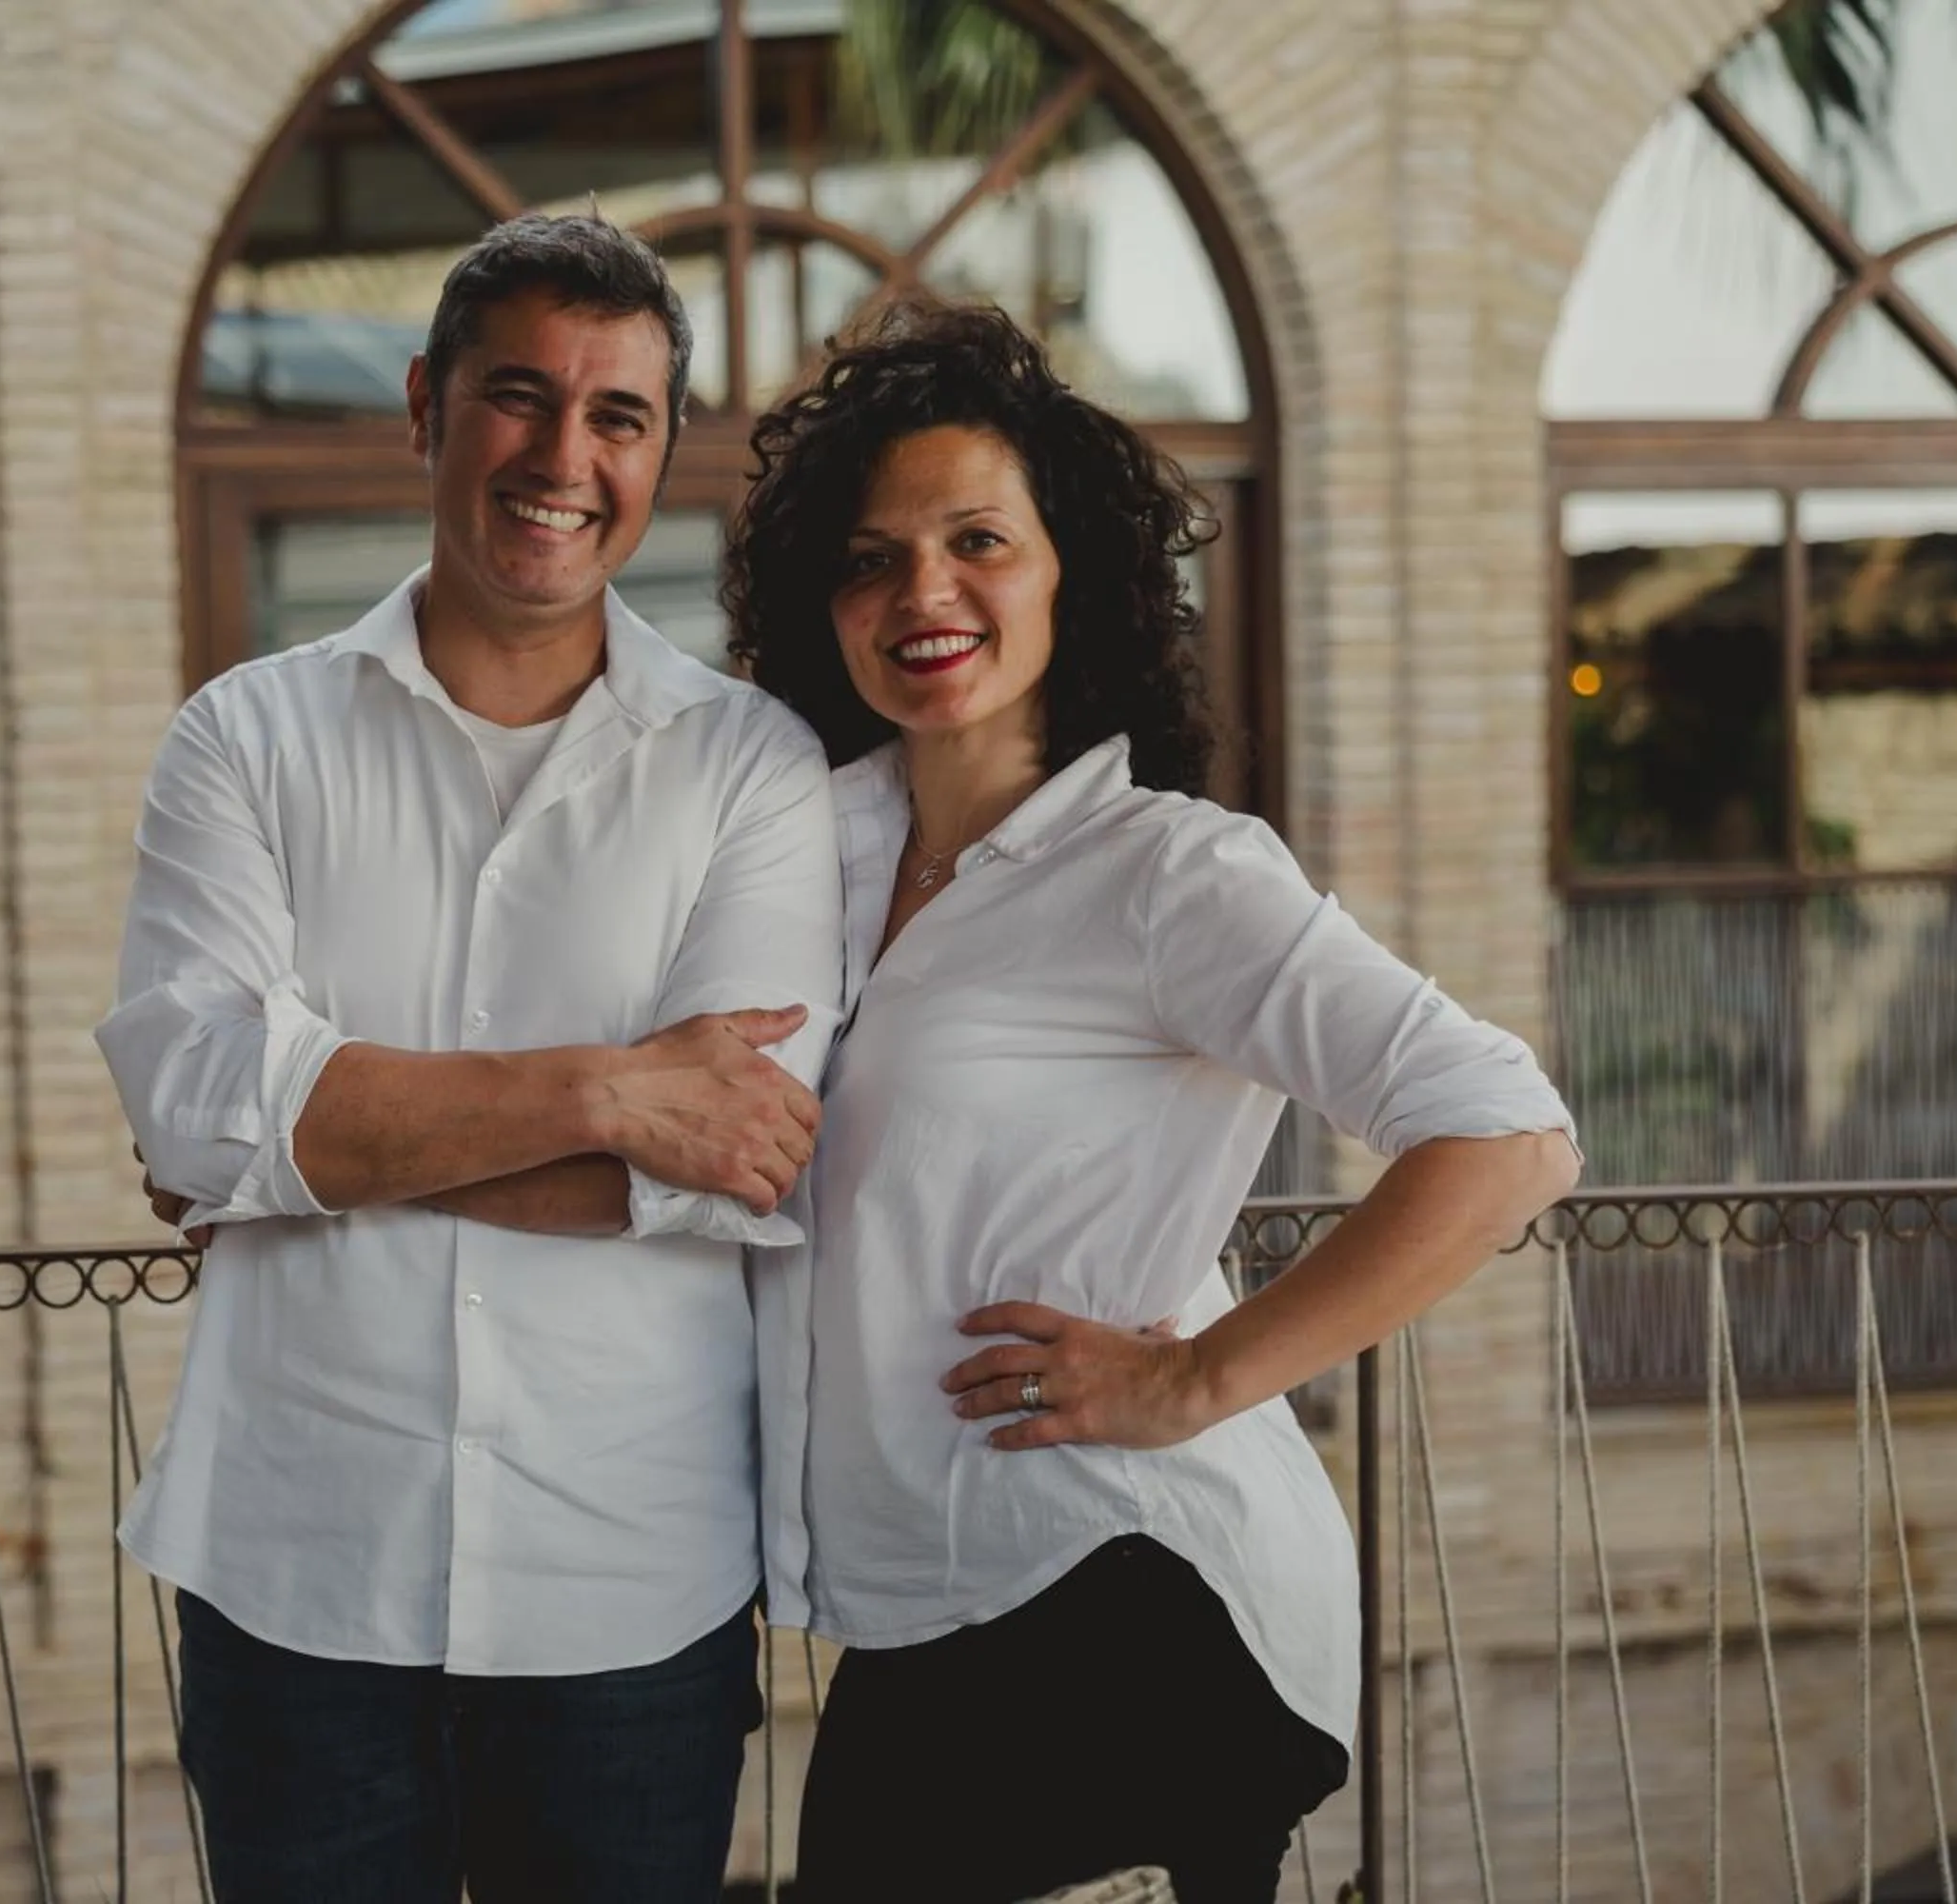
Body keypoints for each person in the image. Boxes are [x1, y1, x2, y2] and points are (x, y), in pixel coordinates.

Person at [722, 301, 1584, 1904]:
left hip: (1130, 1578)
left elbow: (1508, 1131)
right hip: (927, 1594)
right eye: (868, 558)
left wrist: (1198, 1377)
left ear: (1071, 574)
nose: (923, 592)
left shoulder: (1167, 873)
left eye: (978, 539)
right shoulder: (804, 861)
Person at [99, 213, 843, 1904]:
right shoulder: (244, 736)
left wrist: (327, 1139)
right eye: (521, 397)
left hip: (628, 1589)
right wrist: (607, 1092)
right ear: (428, 407)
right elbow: (204, 1114)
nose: (563, 456)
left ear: (659, 452)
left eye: (619, 416)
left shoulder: (751, 770)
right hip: (295, 1568)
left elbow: (740, 1171)